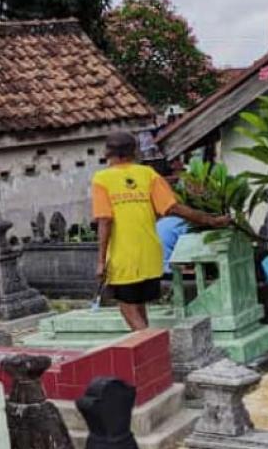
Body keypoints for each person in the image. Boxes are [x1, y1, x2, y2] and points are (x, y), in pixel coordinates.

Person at [92, 131, 230, 330]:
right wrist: (211, 220)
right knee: (139, 307)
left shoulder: (101, 179)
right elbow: (173, 208)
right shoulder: (148, 174)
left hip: (124, 256)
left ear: (107, 152)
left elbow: (105, 220)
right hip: (151, 254)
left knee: (128, 310)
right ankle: (149, 348)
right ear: (134, 151)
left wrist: (100, 261)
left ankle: (152, 352)